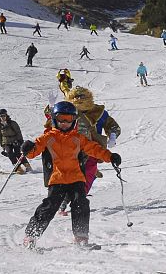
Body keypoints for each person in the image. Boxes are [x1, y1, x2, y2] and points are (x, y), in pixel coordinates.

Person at [20, 101, 121, 248]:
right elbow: (33, 151)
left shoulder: (78, 138)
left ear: (74, 121)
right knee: (50, 206)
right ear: (55, 119)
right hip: (57, 178)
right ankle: (31, 235)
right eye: (61, 119)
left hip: (76, 178)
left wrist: (110, 156)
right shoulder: (48, 137)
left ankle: (81, 236)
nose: (65, 123)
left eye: (69, 119)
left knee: (81, 203)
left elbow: (94, 149)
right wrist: (28, 148)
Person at [57, 87, 122, 215]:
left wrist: (113, 134)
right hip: (72, 150)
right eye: (76, 97)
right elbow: (54, 123)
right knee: (69, 177)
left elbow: (111, 124)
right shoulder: (68, 111)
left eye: (82, 97)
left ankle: (78, 201)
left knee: (87, 176)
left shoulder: (98, 112)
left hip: (93, 149)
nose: (79, 100)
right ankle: (63, 203)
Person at [0, 109, 32, 173]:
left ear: (6, 115)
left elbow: (18, 132)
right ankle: (18, 168)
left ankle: (27, 165)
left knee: (18, 153)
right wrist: (2, 145)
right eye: (1, 116)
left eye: (4, 115)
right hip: (6, 142)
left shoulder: (12, 123)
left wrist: (20, 141)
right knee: (10, 154)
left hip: (15, 140)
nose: (3, 117)